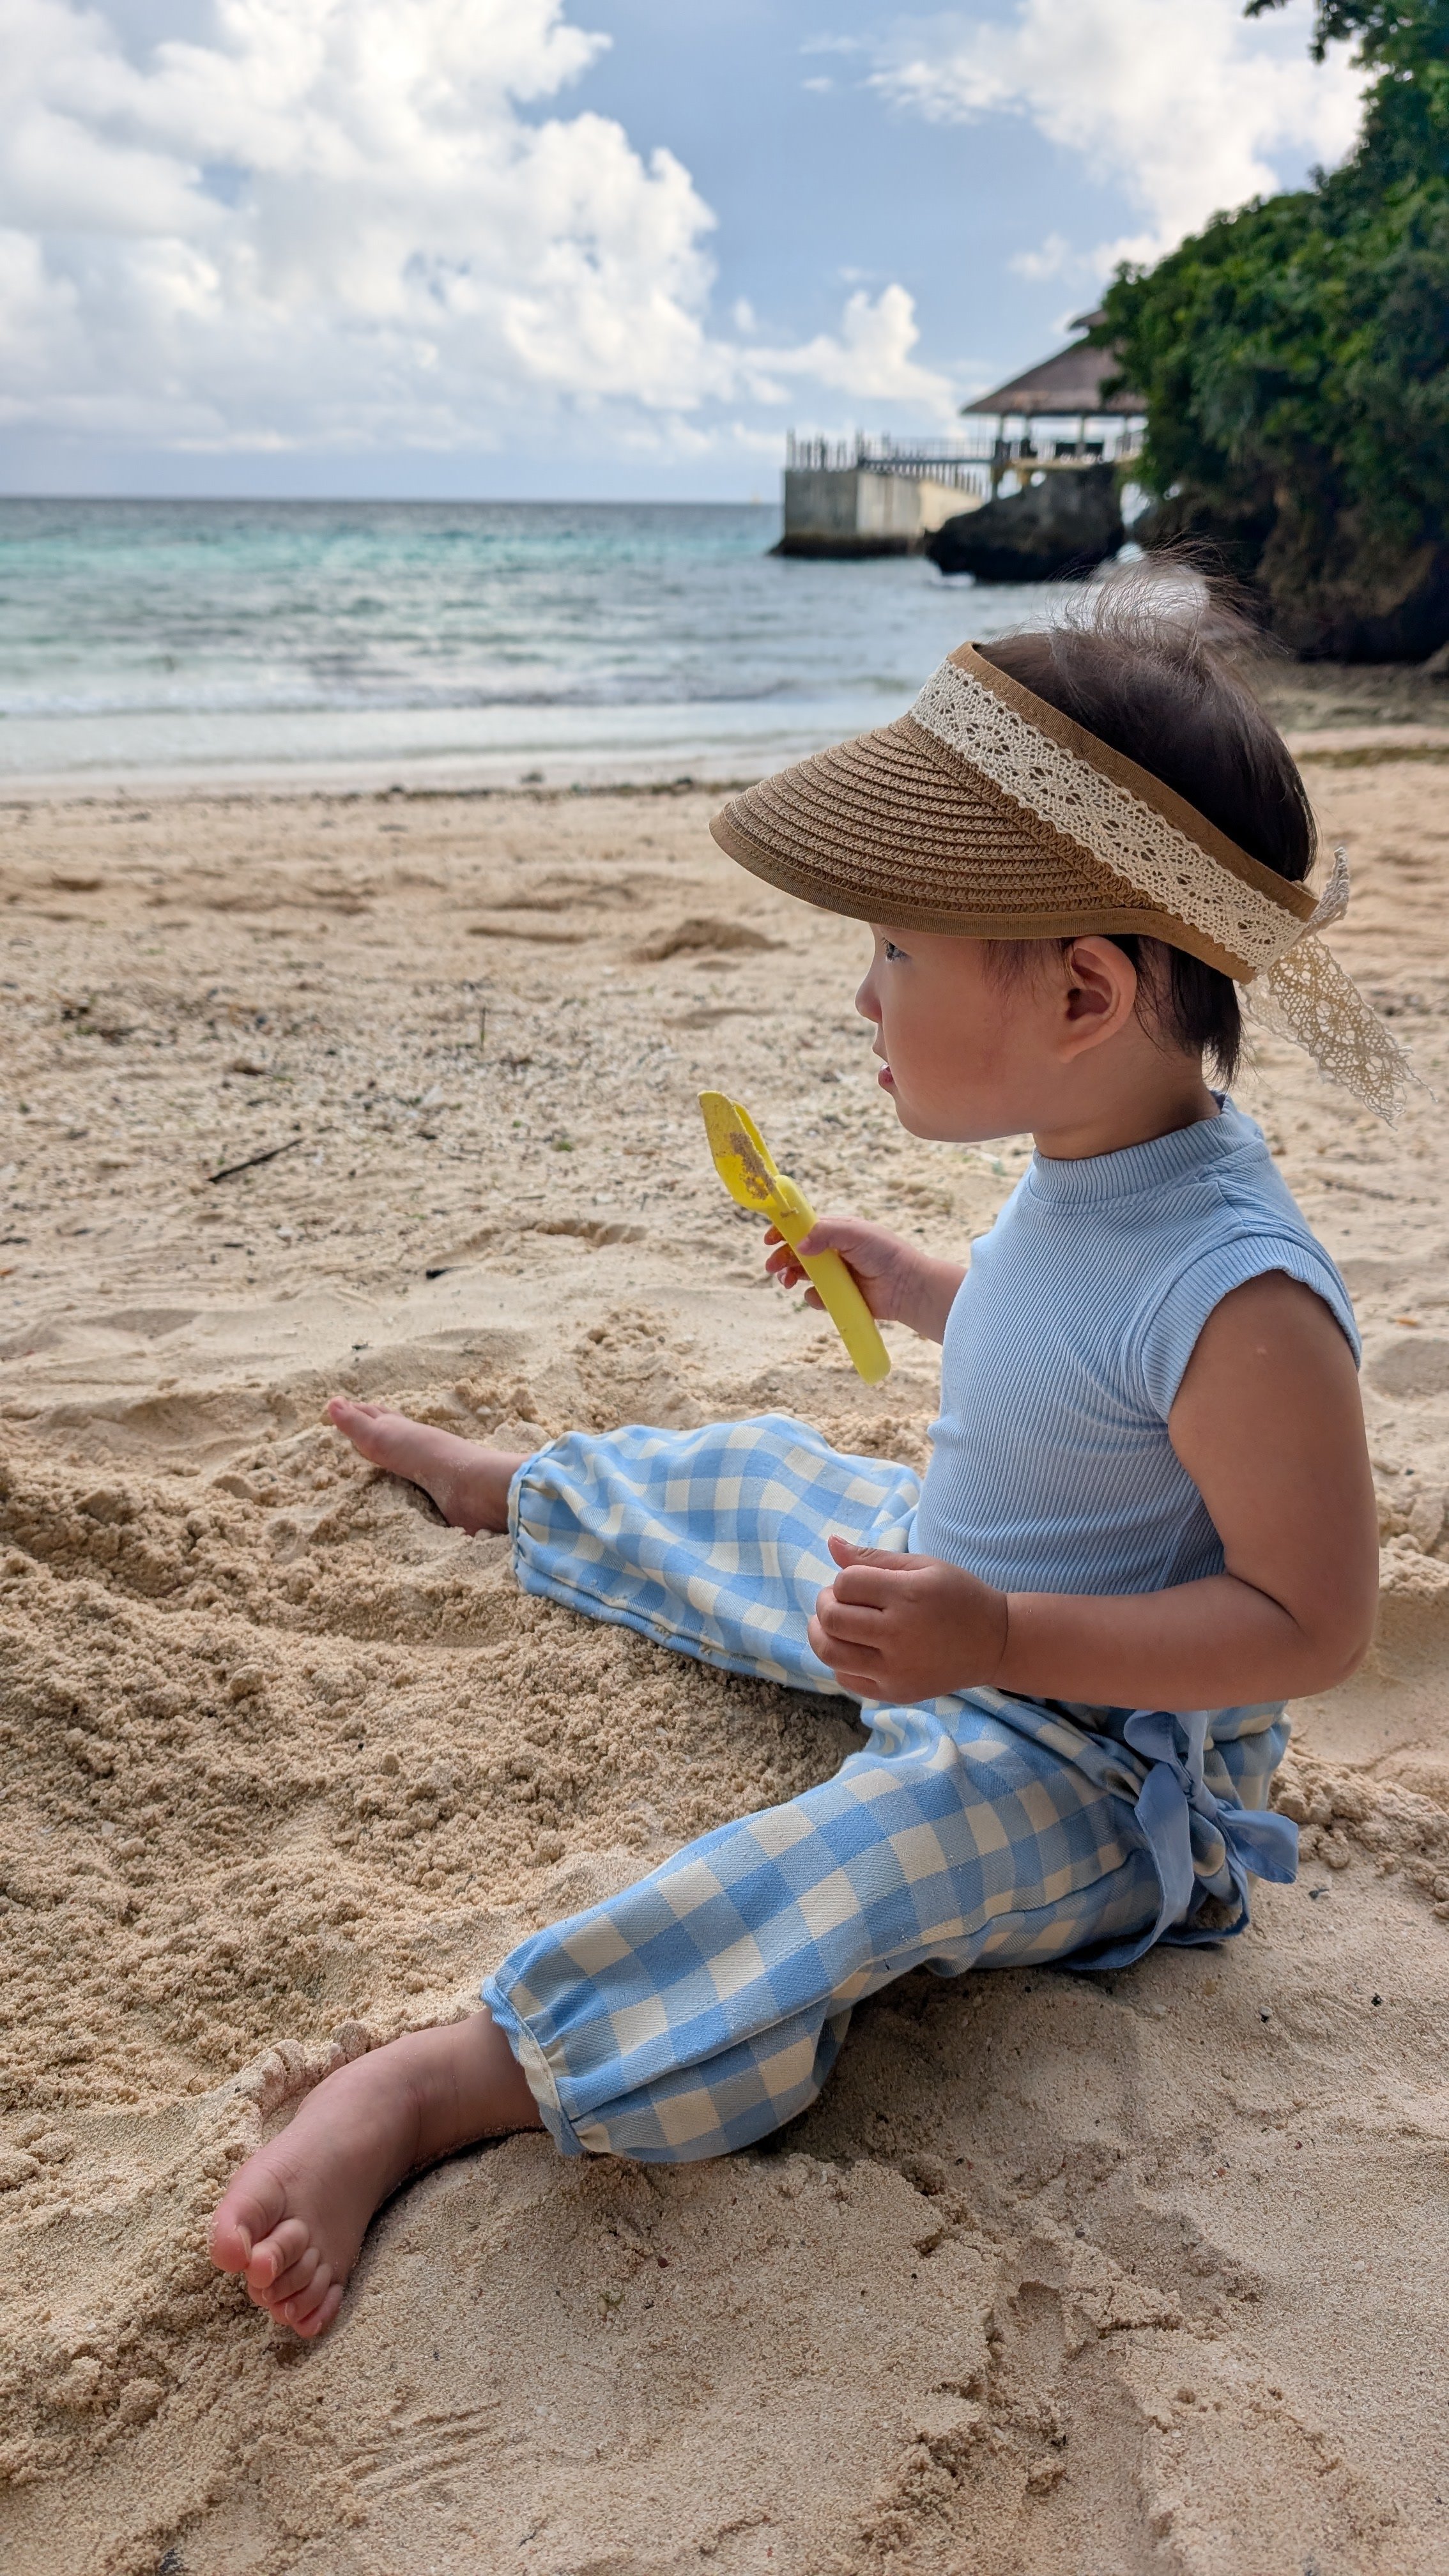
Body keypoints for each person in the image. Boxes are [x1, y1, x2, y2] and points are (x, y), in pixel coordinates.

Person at [210, 581, 1397, 2340]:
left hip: (1098, 1770)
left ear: (1082, 991)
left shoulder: (1244, 1295)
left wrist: (994, 1644)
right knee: (757, 1478)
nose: (861, 993)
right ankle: (530, 1492)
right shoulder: (1099, 1153)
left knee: (831, 1875)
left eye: (895, 953)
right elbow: (1066, 1348)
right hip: (966, 1595)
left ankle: (441, 2080)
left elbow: (1307, 1623)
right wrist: (921, 1288)